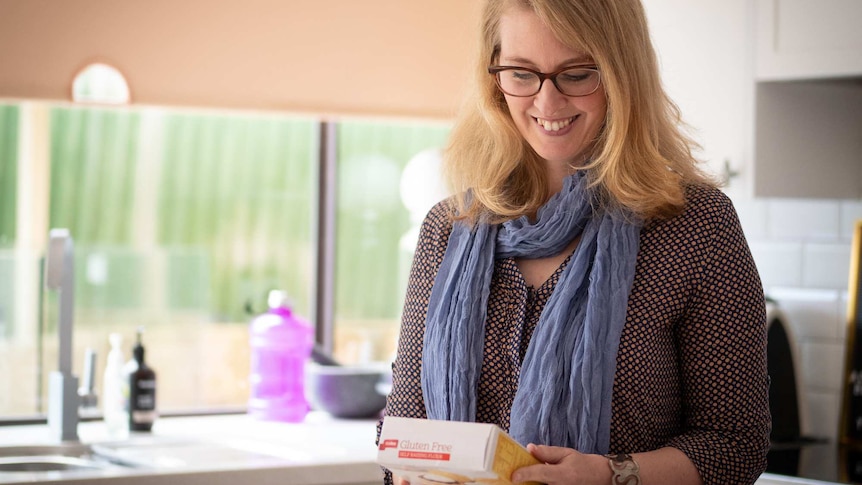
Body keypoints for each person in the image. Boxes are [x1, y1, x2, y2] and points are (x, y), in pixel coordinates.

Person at [378, 0, 771, 484]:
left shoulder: (694, 225)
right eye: (522, 74)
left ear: (621, 73)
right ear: (493, 79)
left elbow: (735, 446)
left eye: (577, 73)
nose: (547, 103)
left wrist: (612, 475)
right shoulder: (450, 227)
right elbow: (400, 428)